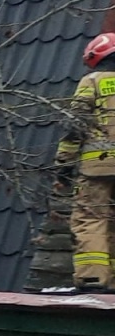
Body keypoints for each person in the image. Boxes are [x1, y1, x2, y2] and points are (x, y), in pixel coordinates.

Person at [57, 33, 115, 291]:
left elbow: (75, 127)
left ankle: (93, 280)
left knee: (90, 218)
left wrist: (64, 165)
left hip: (98, 169)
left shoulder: (91, 82)